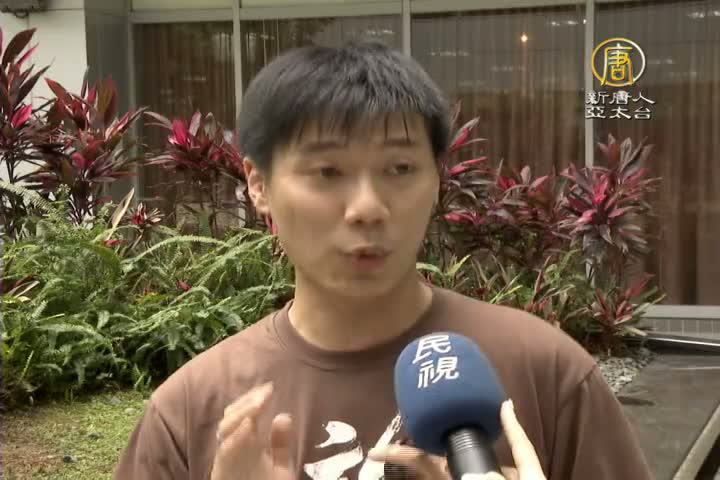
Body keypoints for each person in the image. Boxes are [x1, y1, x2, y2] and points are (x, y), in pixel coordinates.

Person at [113, 40, 653, 480]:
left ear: (436, 179)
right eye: (327, 172)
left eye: (399, 169)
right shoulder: (193, 409)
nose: (367, 207)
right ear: (257, 184)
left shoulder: (545, 372)